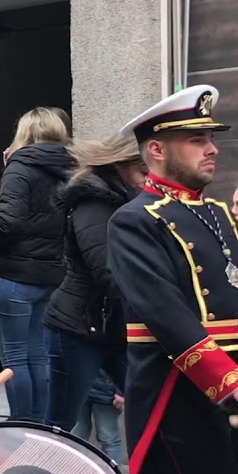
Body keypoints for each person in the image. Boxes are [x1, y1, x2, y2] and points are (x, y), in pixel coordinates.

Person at [107, 84, 238, 474]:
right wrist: (228, 380)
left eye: (211, 137)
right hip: (179, 390)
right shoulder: (135, 220)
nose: (211, 148)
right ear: (157, 150)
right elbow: (166, 314)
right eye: (195, 138)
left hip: (222, 387)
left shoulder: (219, 215)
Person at [0, 106, 73, 422]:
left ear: (25, 135)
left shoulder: (20, 167)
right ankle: (38, 425)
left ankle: (20, 424)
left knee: (14, 357)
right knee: (38, 356)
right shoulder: (70, 169)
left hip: (14, 277)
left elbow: (8, 222)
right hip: (50, 276)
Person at [43, 134, 146, 431]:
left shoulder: (128, 202)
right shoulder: (94, 203)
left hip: (112, 327)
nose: (147, 182)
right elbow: (107, 272)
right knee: (60, 422)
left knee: (151, 406)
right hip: (76, 328)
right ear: (120, 166)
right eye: (143, 173)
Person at [73, 370, 124, 463]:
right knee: (75, 437)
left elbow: (124, 360)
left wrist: (121, 392)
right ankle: (71, 473)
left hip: (106, 391)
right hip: (79, 386)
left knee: (109, 439)